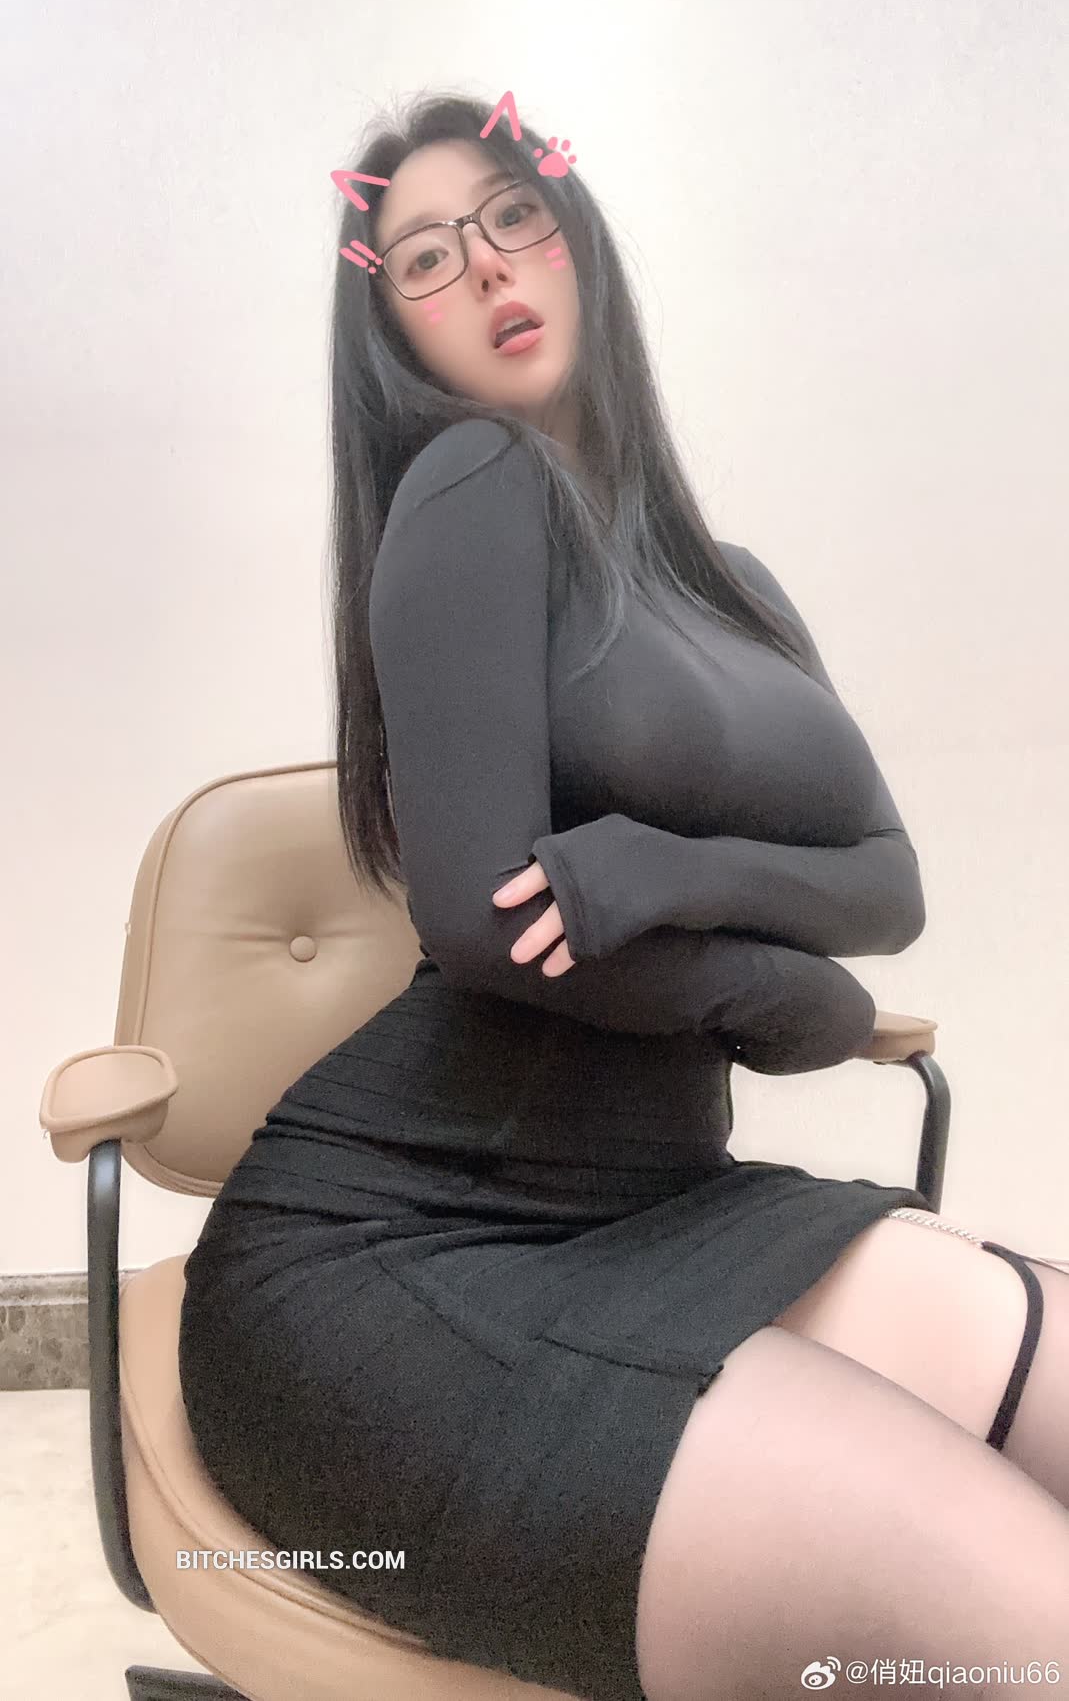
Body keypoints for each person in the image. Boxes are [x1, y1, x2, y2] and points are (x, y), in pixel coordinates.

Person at [178, 92, 1069, 1701]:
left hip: (665, 1203)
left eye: (510, 216)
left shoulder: (733, 586)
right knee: (1034, 1625)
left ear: (571, 235)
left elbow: (885, 885)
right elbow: (480, 927)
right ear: (392, 329)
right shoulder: (472, 482)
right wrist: (778, 989)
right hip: (398, 1255)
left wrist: (676, 874)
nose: (484, 266)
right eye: (424, 258)